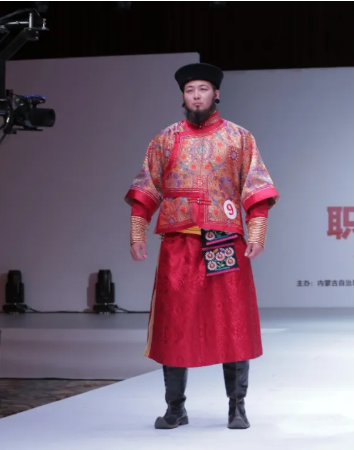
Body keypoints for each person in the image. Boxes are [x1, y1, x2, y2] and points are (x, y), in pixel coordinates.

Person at [124, 62, 279, 431]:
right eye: (190, 90)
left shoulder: (238, 138)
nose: (196, 96)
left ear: (216, 93)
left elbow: (255, 187)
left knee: (232, 323)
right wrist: (137, 232)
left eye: (203, 89)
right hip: (178, 244)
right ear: (183, 96)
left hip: (222, 237)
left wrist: (257, 232)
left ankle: (237, 407)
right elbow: (147, 187)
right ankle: (175, 408)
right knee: (174, 324)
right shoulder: (165, 140)